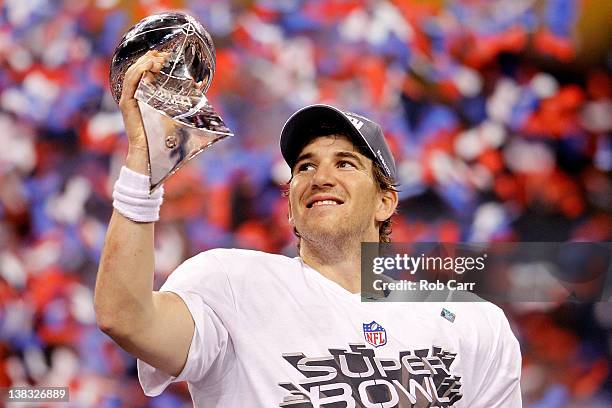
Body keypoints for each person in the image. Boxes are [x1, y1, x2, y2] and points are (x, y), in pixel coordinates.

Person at [95, 51, 522, 407]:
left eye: (345, 163)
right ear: (291, 209)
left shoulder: (471, 322)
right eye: (305, 167)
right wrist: (143, 171)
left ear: (385, 201)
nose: (320, 176)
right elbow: (126, 318)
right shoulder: (231, 284)